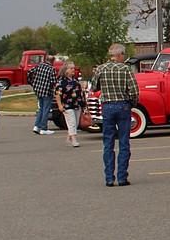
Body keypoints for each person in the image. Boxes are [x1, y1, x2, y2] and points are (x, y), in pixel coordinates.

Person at [89, 44, 139, 187]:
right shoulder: (125, 69)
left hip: (108, 106)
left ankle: (109, 177)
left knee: (108, 143)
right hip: (123, 105)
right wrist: (132, 103)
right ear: (120, 55)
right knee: (124, 142)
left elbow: (94, 86)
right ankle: (122, 176)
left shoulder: (101, 69)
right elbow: (134, 90)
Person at [54, 61, 85, 148]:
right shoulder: (61, 81)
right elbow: (58, 94)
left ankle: (69, 138)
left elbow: (80, 90)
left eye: (73, 69)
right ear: (66, 70)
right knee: (71, 122)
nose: (73, 70)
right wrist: (59, 105)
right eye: (71, 68)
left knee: (75, 122)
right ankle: (74, 139)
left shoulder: (75, 79)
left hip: (77, 103)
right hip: (67, 105)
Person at [27, 55, 58, 135]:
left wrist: (32, 82)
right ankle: (44, 127)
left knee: (41, 108)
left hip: (38, 90)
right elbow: (53, 81)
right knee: (46, 109)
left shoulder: (39, 66)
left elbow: (29, 72)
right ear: (52, 61)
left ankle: (37, 126)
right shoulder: (51, 69)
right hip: (47, 91)